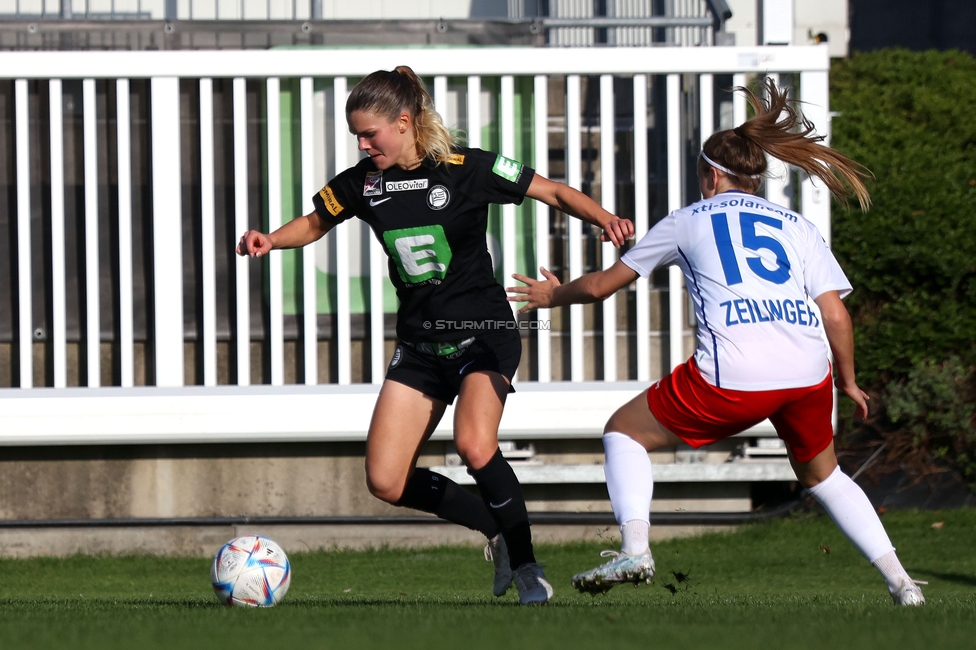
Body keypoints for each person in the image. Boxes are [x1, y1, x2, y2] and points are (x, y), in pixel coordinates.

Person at [507, 78, 926, 606]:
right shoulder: (795, 225)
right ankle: (902, 583)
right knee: (825, 475)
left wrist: (551, 295)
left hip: (735, 377)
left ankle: (635, 548)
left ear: (709, 174)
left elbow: (597, 287)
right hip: (808, 374)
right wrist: (849, 381)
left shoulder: (685, 221)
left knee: (623, 434)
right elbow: (836, 315)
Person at [238, 65, 634, 605]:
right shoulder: (363, 182)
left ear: (403, 122)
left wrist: (605, 219)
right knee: (386, 480)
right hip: (421, 344)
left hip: (483, 332)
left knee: (474, 443)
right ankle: (492, 530)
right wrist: (270, 240)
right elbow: (314, 222)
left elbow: (555, 192)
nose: (362, 142)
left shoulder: (465, 168)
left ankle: (526, 566)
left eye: (369, 133)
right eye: (356, 133)